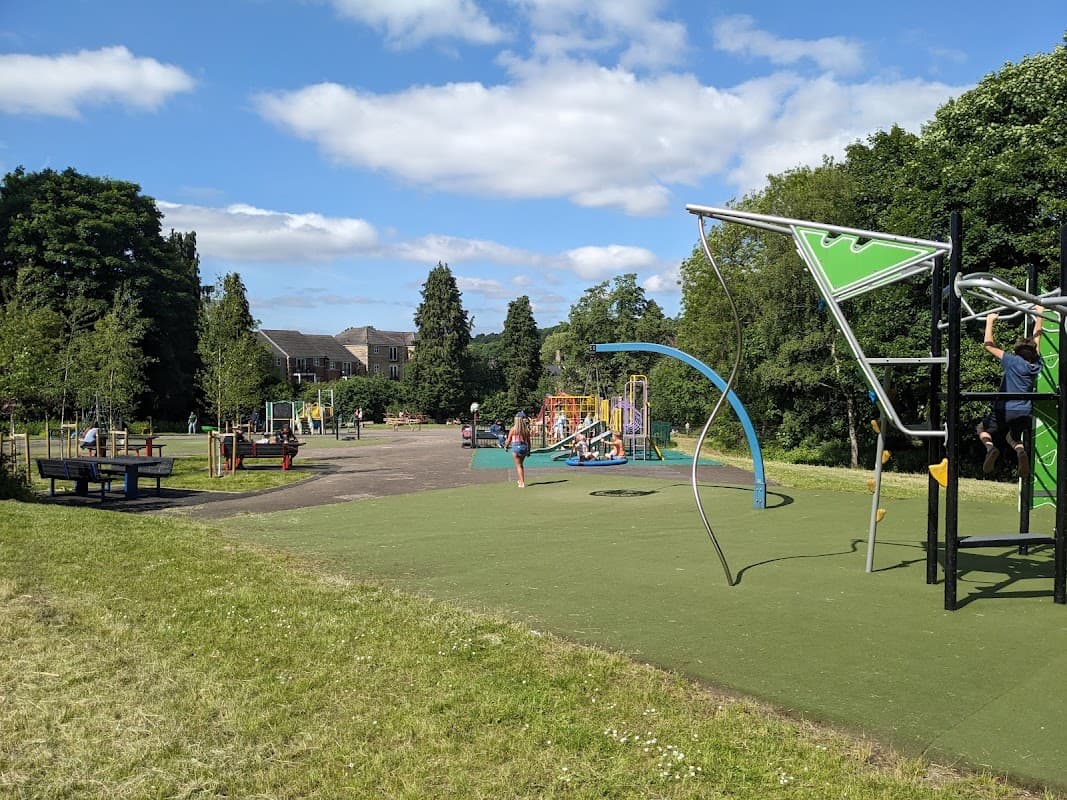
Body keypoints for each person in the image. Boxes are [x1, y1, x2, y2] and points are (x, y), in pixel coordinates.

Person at [978, 307, 1043, 476]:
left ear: (1017, 352)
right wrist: (1040, 314)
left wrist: (990, 321)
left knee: (982, 429)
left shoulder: (1012, 361)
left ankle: (990, 448)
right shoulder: (1035, 366)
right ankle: (1021, 452)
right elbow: (1037, 338)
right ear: (1034, 352)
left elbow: (988, 345)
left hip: (1004, 408)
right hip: (1023, 411)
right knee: (1012, 437)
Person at [504, 411, 531, 488]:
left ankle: (522, 482)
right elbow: (529, 442)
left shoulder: (513, 429)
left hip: (516, 447)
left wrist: (506, 446)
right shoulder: (526, 430)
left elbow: (509, 440)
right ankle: (520, 480)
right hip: (524, 447)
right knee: (521, 465)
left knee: (518, 466)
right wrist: (528, 451)